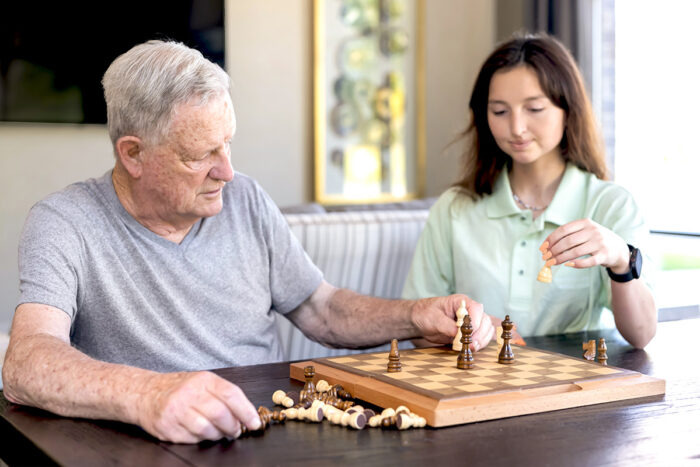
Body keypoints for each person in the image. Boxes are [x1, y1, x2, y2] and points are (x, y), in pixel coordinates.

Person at [1, 40, 494, 444]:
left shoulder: (246, 199)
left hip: (266, 431)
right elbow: (26, 361)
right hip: (142, 443)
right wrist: (149, 394)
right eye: (201, 155)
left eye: (228, 144)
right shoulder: (66, 221)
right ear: (133, 154)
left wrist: (414, 315)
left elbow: (321, 308)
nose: (227, 171)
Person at [402, 33, 656, 349]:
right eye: (499, 111)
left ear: (568, 109)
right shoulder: (455, 208)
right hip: (474, 388)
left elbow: (642, 334)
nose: (517, 128)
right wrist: (467, 332)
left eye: (534, 108)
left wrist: (621, 259)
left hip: (573, 389)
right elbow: (417, 331)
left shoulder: (611, 206)